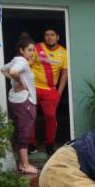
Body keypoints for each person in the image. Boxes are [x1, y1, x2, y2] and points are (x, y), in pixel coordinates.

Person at [1, 33, 38, 175]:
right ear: (21, 50)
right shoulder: (21, 62)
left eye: (33, 50)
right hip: (24, 101)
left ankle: (23, 163)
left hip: (16, 100)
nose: (32, 53)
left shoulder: (16, 60)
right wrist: (20, 82)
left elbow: (3, 69)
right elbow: (12, 71)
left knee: (20, 131)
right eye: (29, 50)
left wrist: (15, 81)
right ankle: (25, 165)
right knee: (25, 132)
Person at [30, 26, 68, 156]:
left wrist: (59, 92)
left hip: (50, 90)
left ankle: (49, 145)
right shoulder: (36, 48)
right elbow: (26, 66)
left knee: (51, 117)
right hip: (33, 88)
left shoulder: (63, 52)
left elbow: (64, 73)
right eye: (47, 34)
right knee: (31, 116)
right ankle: (31, 144)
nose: (49, 37)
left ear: (57, 37)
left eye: (52, 34)